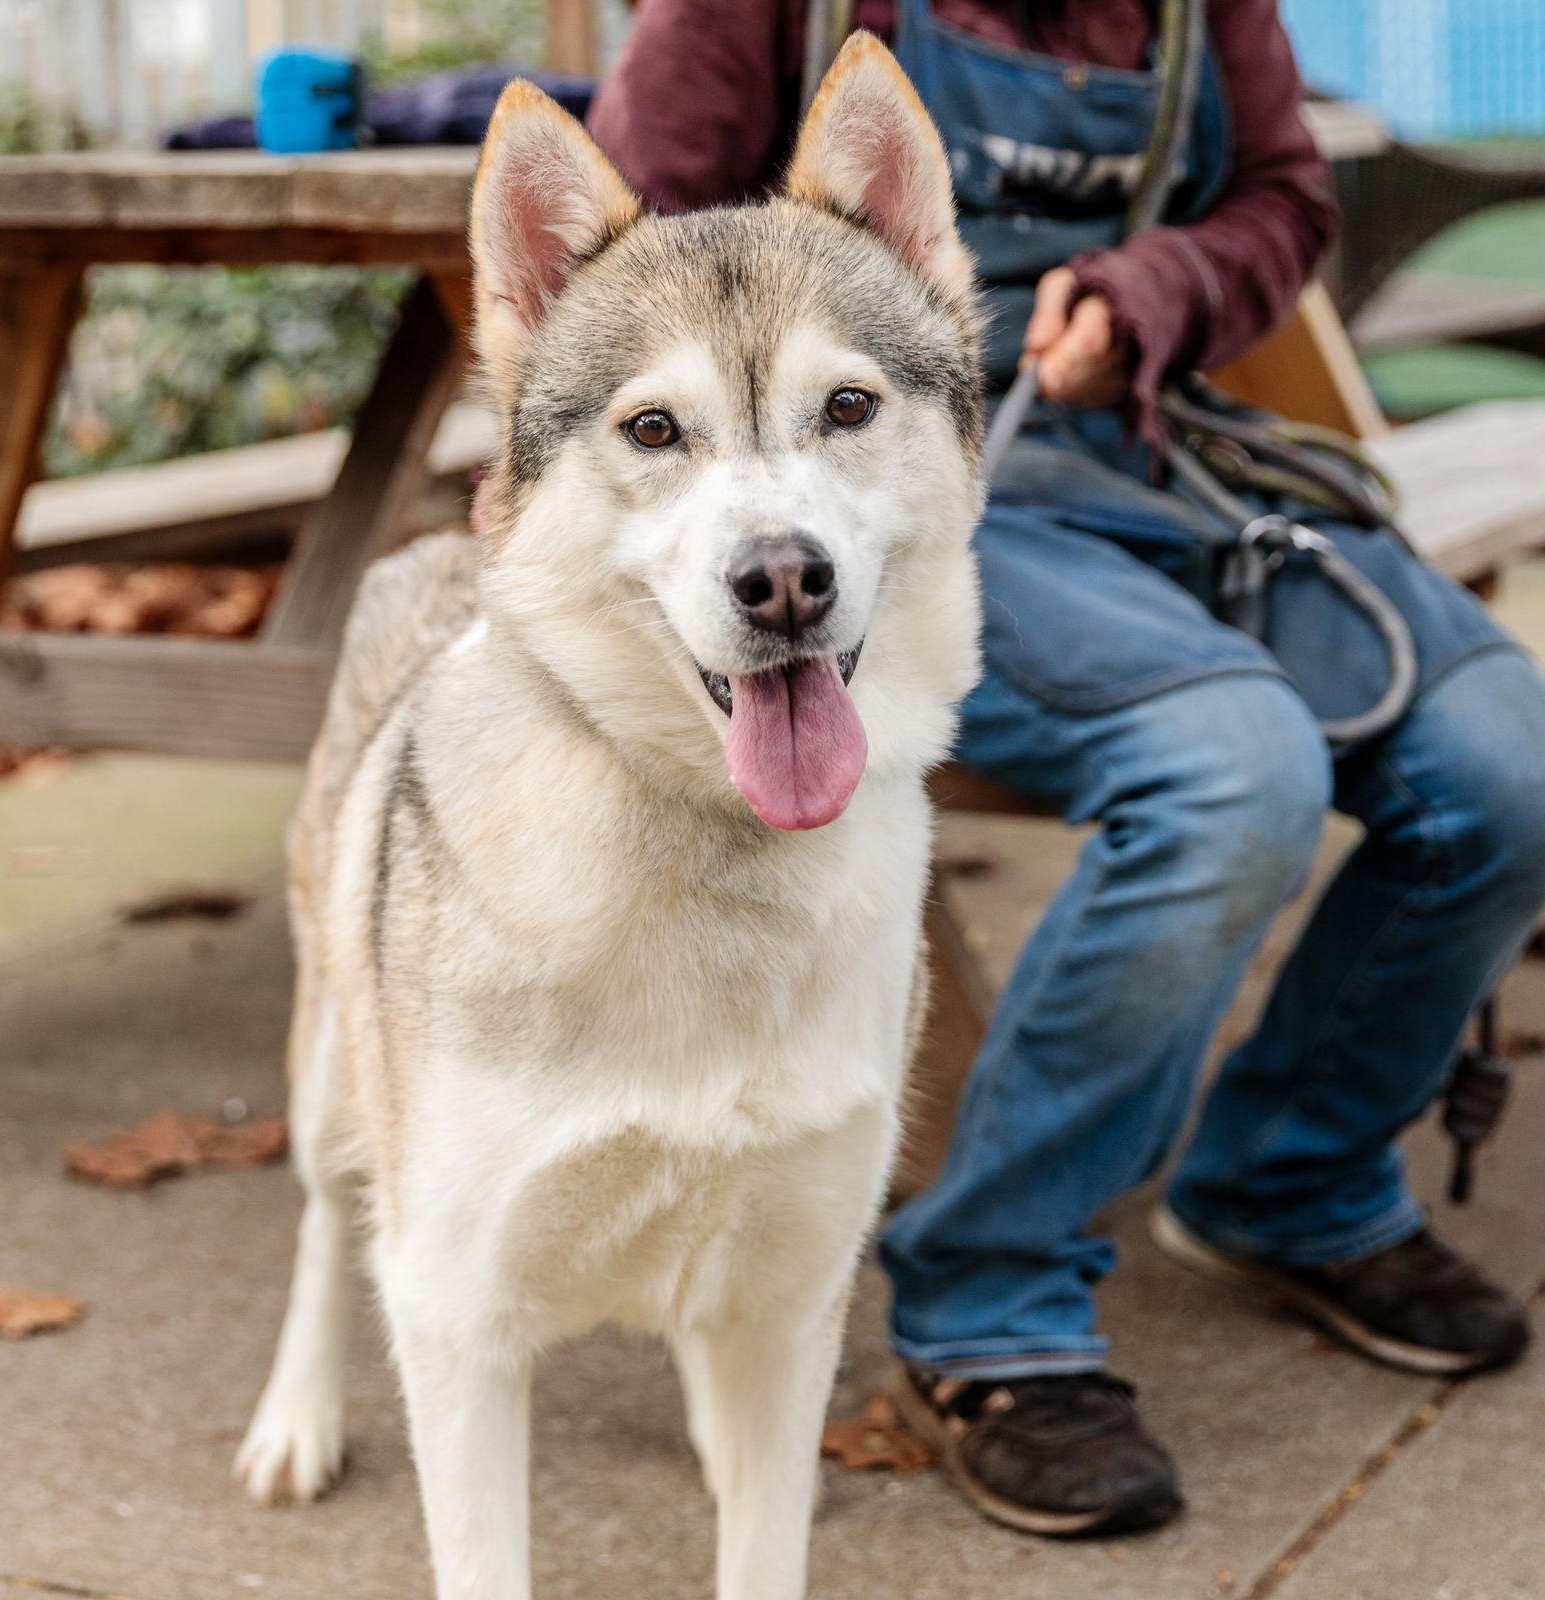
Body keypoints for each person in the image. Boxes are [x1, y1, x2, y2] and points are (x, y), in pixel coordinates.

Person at [587, 0, 1545, 1538]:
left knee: (1509, 766)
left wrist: (1153, 287)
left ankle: (1286, 1179)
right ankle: (988, 1297)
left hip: (1160, 450)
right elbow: (621, 273)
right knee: (1233, 769)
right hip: (895, 497)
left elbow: (1285, 199)